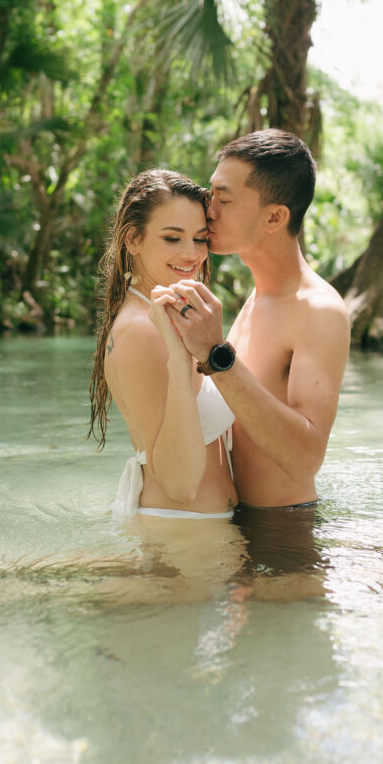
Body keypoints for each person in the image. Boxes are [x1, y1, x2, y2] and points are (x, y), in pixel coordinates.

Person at [164, 129, 351, 516]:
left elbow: (304, 460)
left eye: (224, 199)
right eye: (210, 193)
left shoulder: (318, 311)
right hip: (236, 528)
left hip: (284, 537)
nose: (208, 209)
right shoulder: (256, 297)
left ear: (274, 217)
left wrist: (217, 355)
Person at [88, 169, 237, 520]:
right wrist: (178, 357)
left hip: (194, 533)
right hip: (185, 537)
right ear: (132, 240)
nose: (192, 254)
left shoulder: (157, 314)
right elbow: (180, 485)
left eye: (200, 239)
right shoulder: (144, 330)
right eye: (173, 238)